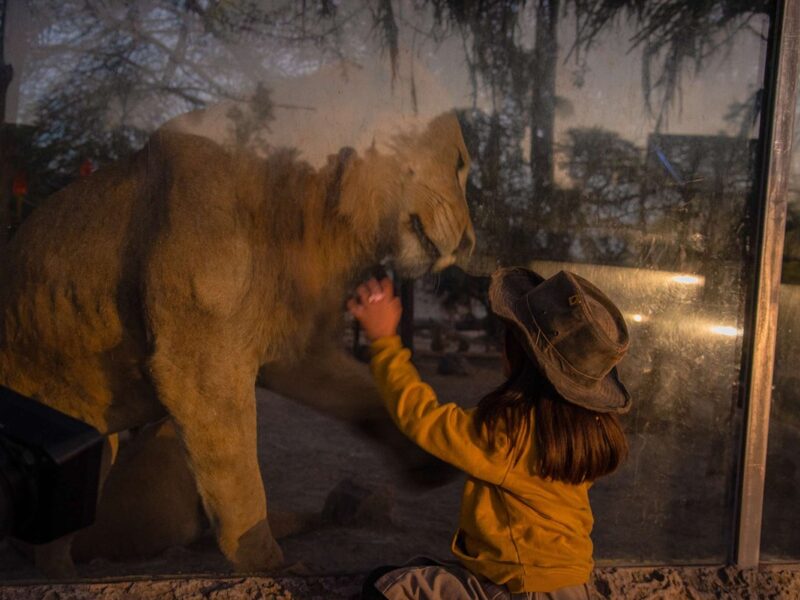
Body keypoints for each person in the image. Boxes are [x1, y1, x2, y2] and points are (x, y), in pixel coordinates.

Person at [347, 267, 631, 600]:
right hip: (574, 588)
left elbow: (421, 418)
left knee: (384, 587)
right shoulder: (584, 432)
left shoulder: (509, 434)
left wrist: (384, 342)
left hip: (518, 589)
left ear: (517, 354)